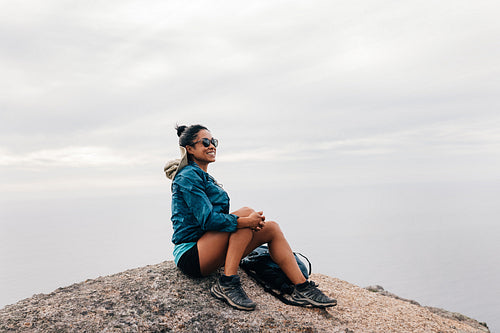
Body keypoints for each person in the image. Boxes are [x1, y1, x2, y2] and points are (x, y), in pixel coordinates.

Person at [164, 124, 337, 311]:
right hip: (192, 254)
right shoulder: (187, 176)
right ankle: (228, 283)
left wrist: (246, 222)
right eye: (205, 142)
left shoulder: (204, 177)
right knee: (246, 214)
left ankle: (302, 288)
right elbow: (207, 220)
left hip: (208, 247)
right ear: (189, 149)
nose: (212, 146)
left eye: (213, 141)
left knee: (272, 228)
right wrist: (246, 222)